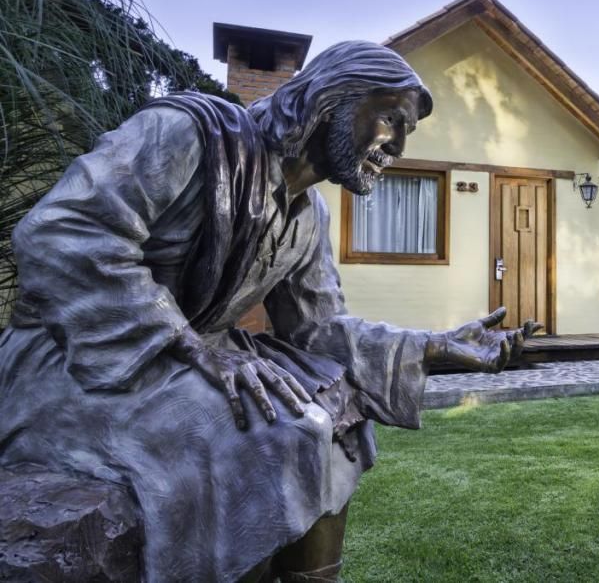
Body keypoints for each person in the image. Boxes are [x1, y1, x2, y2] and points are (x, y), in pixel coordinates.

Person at [0, 41, 534, 582]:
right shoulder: (188, 133)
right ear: (333, 100)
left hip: (186, 360)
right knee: (267, 433)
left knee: (339, 416)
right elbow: (64, 233)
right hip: (80, 359)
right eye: (390, 120)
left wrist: (433, 346)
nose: (395, 144)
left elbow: (316, 327)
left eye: (406, 132)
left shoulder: (309, 215)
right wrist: (190, 346)